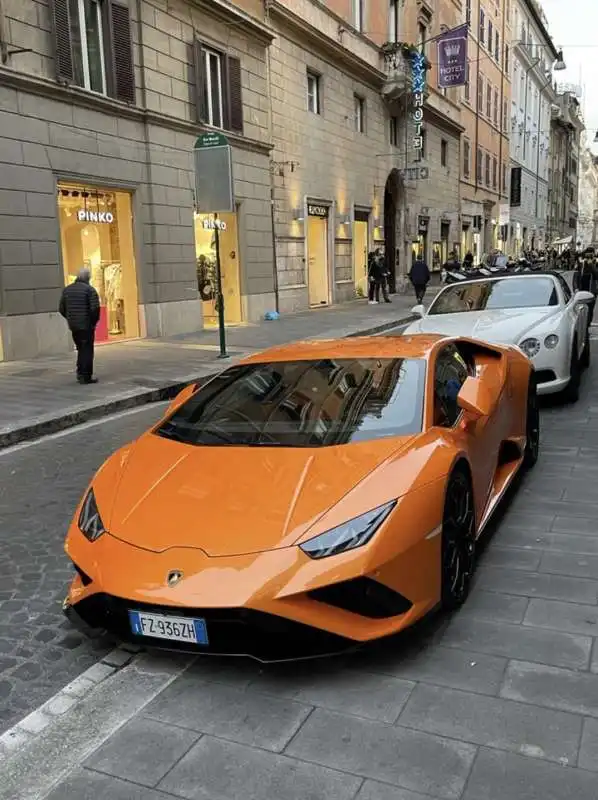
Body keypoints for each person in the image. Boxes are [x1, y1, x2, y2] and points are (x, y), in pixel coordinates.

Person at [59, 267, 101, 384]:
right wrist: (93, 323)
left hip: (74, 326)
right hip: (86, 326)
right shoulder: (90, 290)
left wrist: (71, 319)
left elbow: (61, 308)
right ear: (88, 278)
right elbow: (95, 309)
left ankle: (80, 372)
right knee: (87, 350)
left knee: (80, 349)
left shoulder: (67, 290)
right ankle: (86, 376)